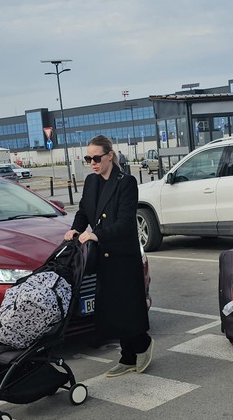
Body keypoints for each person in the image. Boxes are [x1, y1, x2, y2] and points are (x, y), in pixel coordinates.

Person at [64, 135, 153, 377]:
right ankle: (126, 357)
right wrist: (76, 229)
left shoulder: (126, 182)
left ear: (110, 156)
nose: (92, 163)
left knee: (128, 309)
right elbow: (84, 211)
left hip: (123, 255)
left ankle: (143, 346)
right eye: (88, 158)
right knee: (111, 311)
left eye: (96, 158)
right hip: (103, 257)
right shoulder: (92, 182)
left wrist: (97, 235)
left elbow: (125, 223)